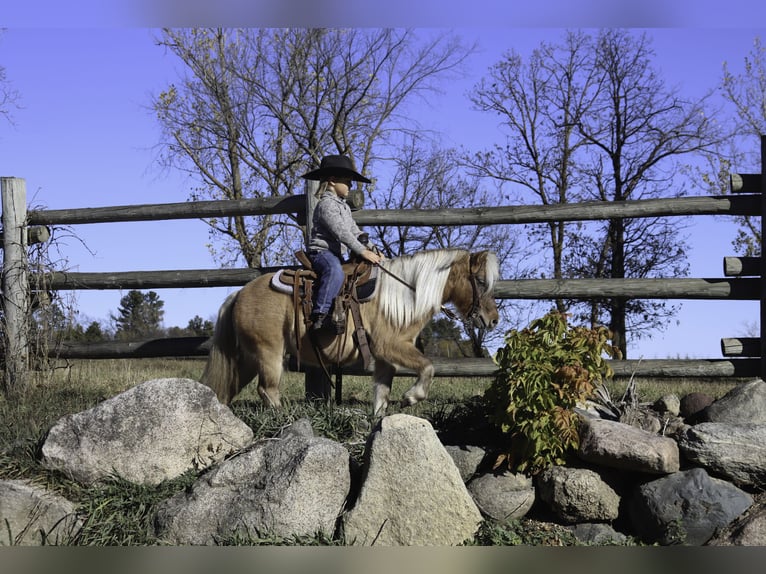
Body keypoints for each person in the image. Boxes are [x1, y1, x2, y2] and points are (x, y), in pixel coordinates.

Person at [301, 154, 382, 331]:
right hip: (321, 253)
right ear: (332, 180)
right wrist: (361, 251)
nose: (351, 185)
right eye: (347, 180)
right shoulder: (326, 205)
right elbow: (341, 232)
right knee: (335, 271)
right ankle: (320, 313)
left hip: (336, 254)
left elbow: (354, 231)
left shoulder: (344, 206)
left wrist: (373, 249)